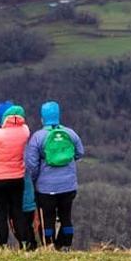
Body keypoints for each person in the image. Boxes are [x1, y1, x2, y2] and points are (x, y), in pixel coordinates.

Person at [24, 101, 84, 250]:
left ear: (42, 118)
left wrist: (35, 180)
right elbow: (79, 153)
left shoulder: (38, 137)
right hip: (68, 186)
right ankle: (65, 246)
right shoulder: (70, 134)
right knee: (66, 217)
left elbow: (32, 164)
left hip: (46, 188)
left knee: (47, 218)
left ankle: (49, 246)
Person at [0, 102, 36, 250]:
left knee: (1, 215)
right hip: (17, 178)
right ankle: (24, 243)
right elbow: (21, 125)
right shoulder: (25, 131)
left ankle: (3, 245)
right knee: (17, 212)